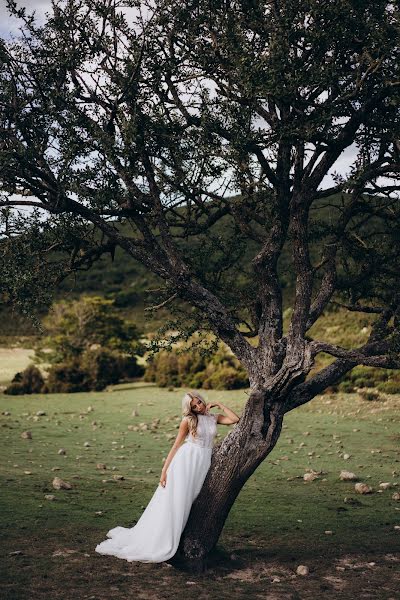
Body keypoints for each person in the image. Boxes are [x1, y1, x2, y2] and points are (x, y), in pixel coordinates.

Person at [95, 390, 240, 563]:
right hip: (186, 461)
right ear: (190, 409)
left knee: (192, 499)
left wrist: (219, 405)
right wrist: (164, 471)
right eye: (194, 406)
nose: (198, 407)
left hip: (203, 463)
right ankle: (165, 538)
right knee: (178, 500)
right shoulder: (188, 420)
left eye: (199, 402)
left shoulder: (213, 417)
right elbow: (176, 445)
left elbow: (235, 419)